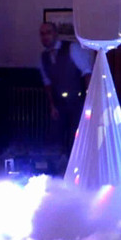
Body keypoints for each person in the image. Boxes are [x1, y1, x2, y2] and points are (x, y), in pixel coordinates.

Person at [38, 22, 93, 160]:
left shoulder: (71, 48)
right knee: (56, 136)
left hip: (77, 100)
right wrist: (52, 106)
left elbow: (87, 73)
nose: (45, 37)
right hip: (59, 103)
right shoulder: (43, 57)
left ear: (55, 34)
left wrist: (90, 101)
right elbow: (47, 83)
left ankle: (77, 167)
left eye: (48, 32)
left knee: (77, 136)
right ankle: (59, 168)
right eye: (42, 34)